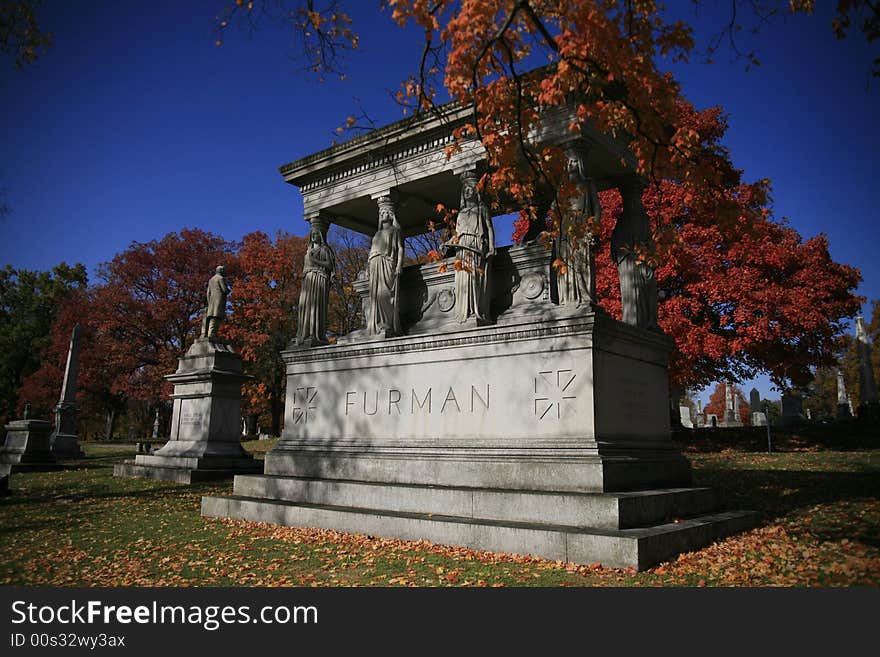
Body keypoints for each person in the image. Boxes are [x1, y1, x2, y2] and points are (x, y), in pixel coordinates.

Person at [557, 147, 600, 308]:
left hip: (581, 225)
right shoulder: (563, 187)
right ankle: (569, 297)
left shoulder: (588, 184)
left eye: (574, 161)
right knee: (567, 261)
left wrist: (593, 227)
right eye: (569, 162)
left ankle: (584, 295)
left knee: (581, 261)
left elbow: (597, 208)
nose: (571, 165)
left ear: (580, 163)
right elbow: (556, 208)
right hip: (566, 225)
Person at [452, 170, 495, 323]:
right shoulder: (461, 213)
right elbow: (457, 234)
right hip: (462, 249)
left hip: (477, 246)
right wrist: (450, 242)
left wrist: (491, 248)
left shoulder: (482, 209)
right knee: (463, 278)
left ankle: (476, 309)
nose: (468, 191)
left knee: (474, 277)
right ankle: (465, 311)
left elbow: (489, 227)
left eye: (471, 188)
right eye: (466, 190)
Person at [367, 197, 404, 337]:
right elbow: (371, 250)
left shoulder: (395, 231)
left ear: (391, 214)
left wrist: (399, 264)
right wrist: (367, 266)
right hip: (374, 263)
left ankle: (387, 323)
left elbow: (400, 248)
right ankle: (377, 324)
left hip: (387, 263)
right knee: (375, 296)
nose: (383, 214)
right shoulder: (377, 234)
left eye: (386, 212)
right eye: (381, 213)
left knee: (384, 295)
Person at [295, 225, 335, 346]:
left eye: (316, 234)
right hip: (307, 280)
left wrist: (315, 261)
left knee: (315, 305)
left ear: (321, 236)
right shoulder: (308, 250)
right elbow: (306, 266)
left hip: (318, 278)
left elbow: (329, 265)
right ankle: (304, 332)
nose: (314, 236)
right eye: (312, 234)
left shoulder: (325, 249)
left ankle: (314, 333)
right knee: (305, 306)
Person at [202, 265, 230, 338]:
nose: (224, 272)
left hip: (211, 301)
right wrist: (228, 290)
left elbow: (208, 292)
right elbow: (224, 290)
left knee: (212, 316)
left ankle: (210, 332)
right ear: (220, 271)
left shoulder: (211, 279)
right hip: (219, 300)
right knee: (216, 316)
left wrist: (209, 302)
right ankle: (211, 333)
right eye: (223, 270)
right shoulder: (221, 278)